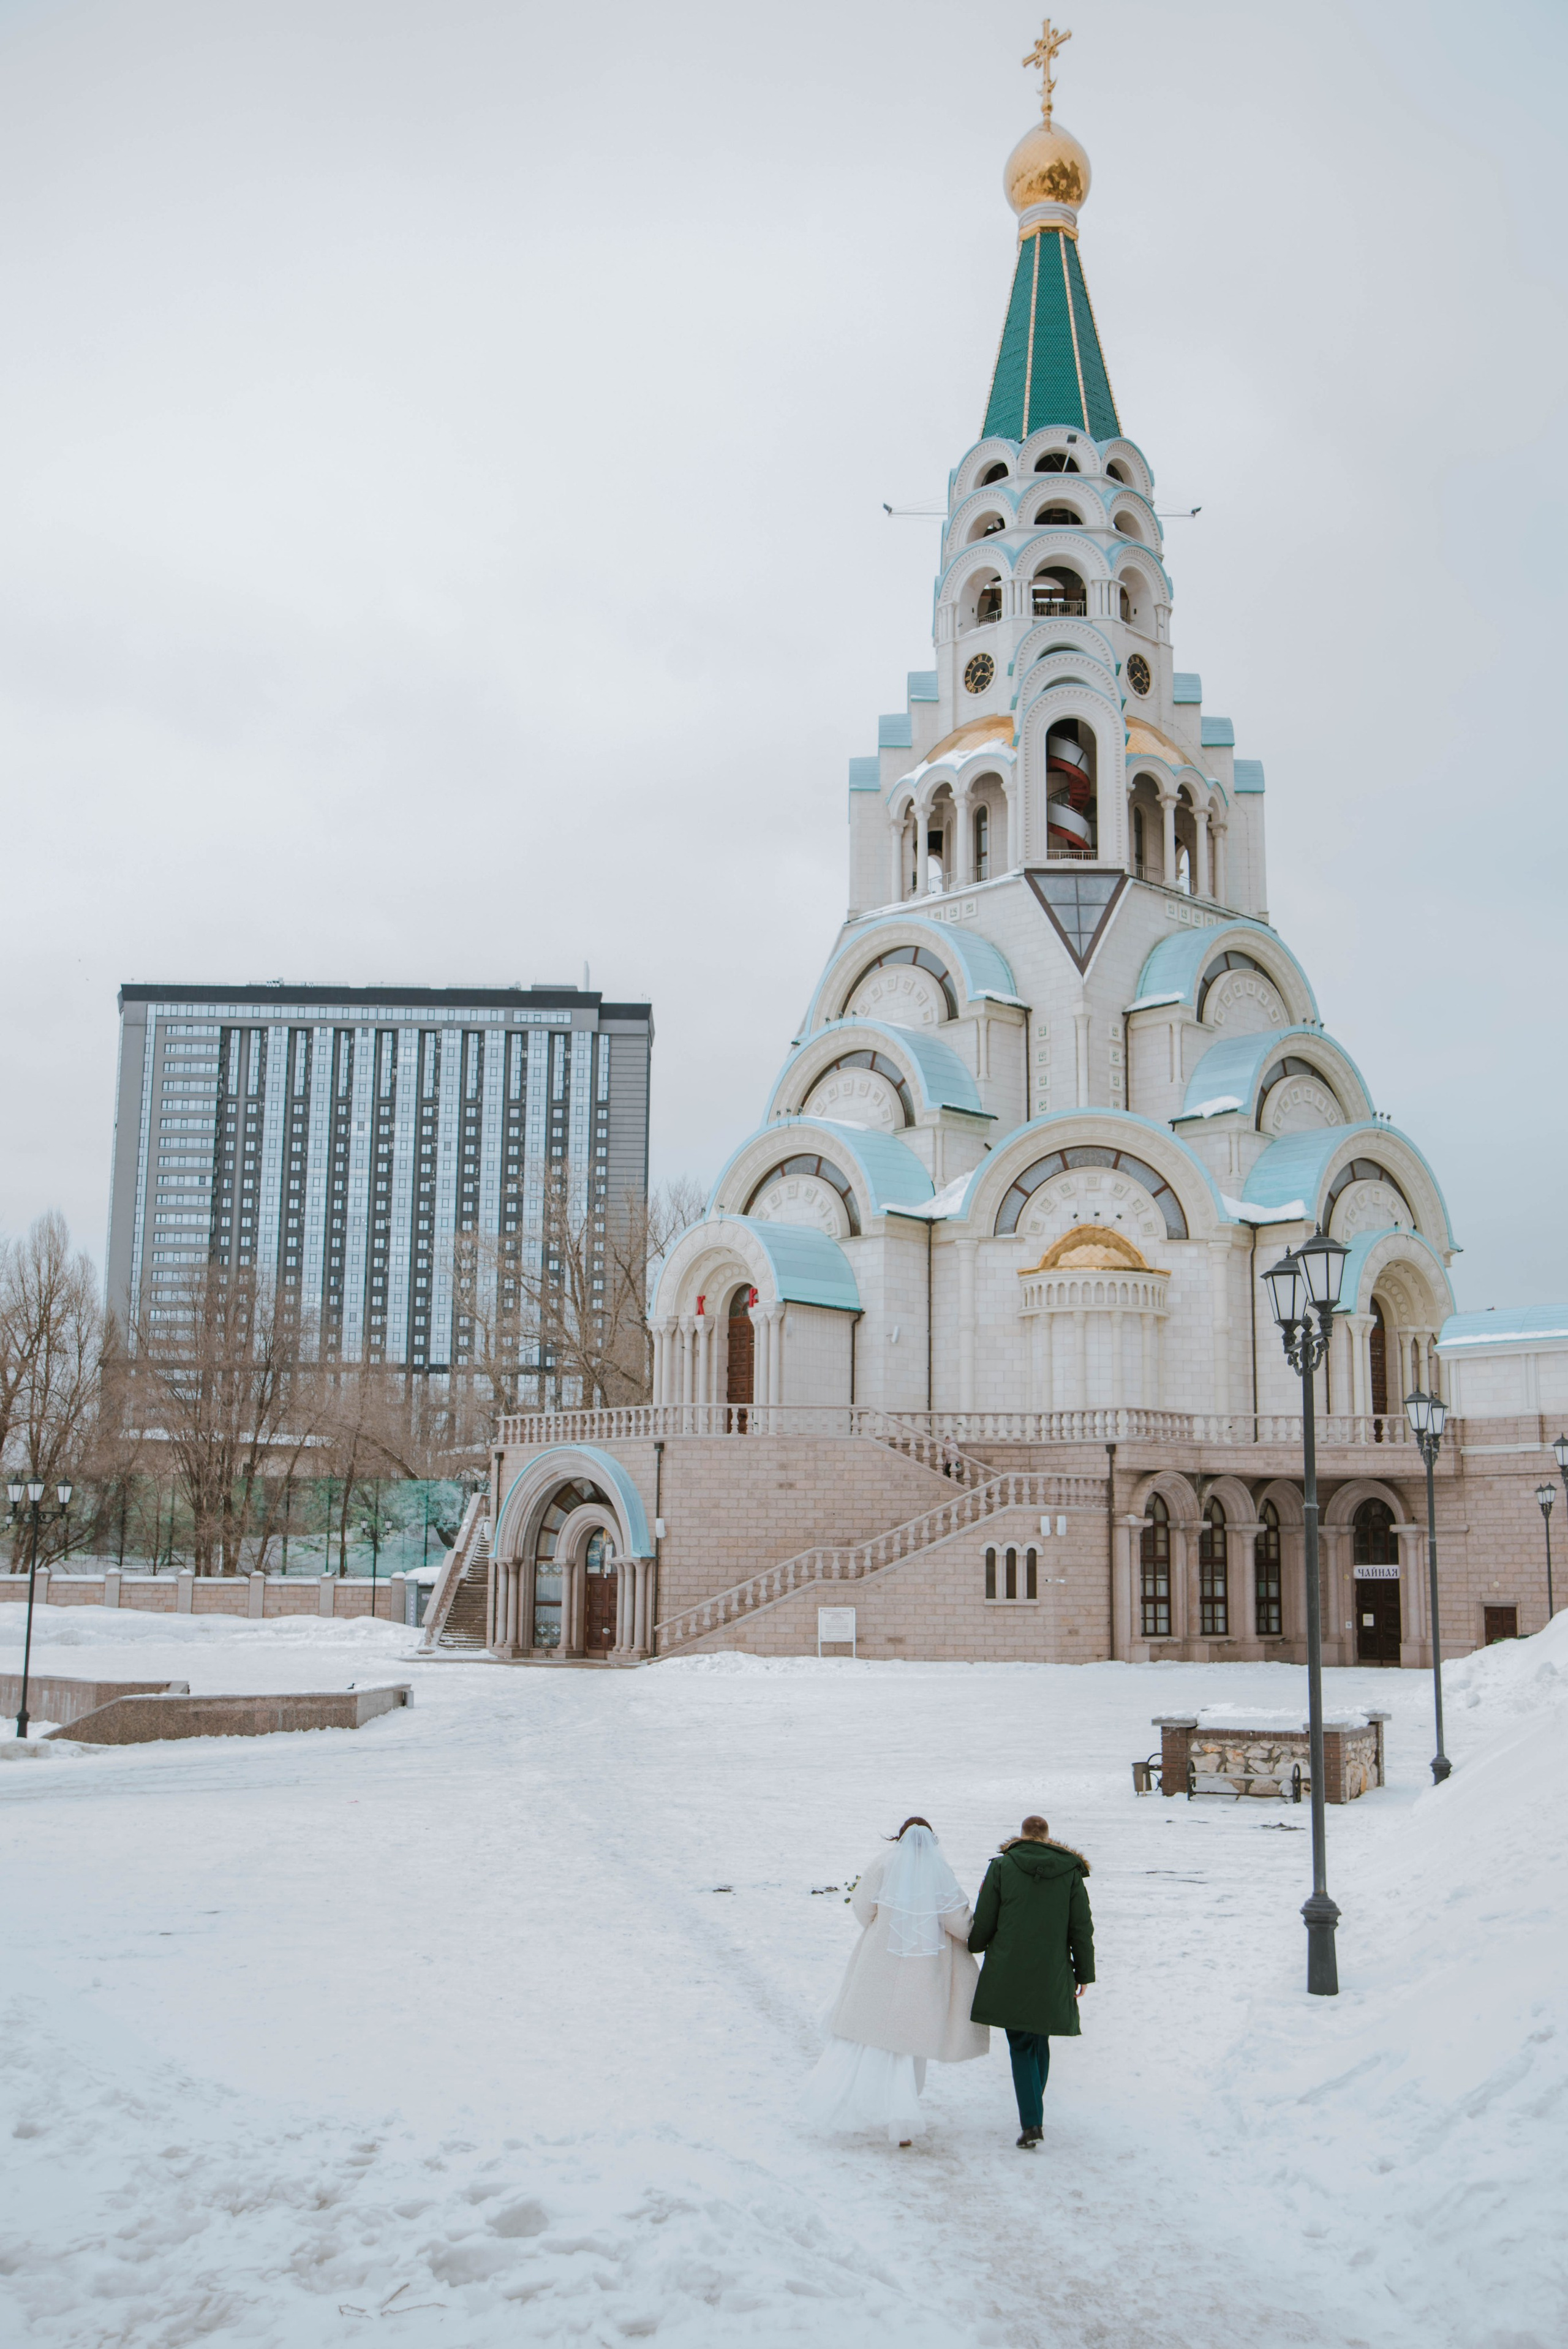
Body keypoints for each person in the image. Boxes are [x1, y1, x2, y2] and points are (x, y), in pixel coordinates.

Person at [802, 1816, 988, 2146]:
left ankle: (872, 2108)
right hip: (926, 1970)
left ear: (898, 1838)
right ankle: (902, 2118)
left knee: (871, 2036)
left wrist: (884, 1926)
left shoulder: (883, 1864)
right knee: (911, 2042)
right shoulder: (940, 1871)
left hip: (880, 1963)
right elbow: (960, 1924)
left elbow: (862, 1908)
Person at [968, 1812, 1095, 2150]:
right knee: (1038, 2039)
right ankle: (1034, 2111)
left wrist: (974, 1945)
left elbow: (985, 1917)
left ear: (1021, 1836)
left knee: (1022, 2042)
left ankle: (1031, 2123)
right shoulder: (1070, 1873)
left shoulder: (1001, 1867)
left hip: (1009, 1968)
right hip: (1053, 1971)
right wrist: (1084, 1973)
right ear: (1048, 1838)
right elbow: (1081, 1928)